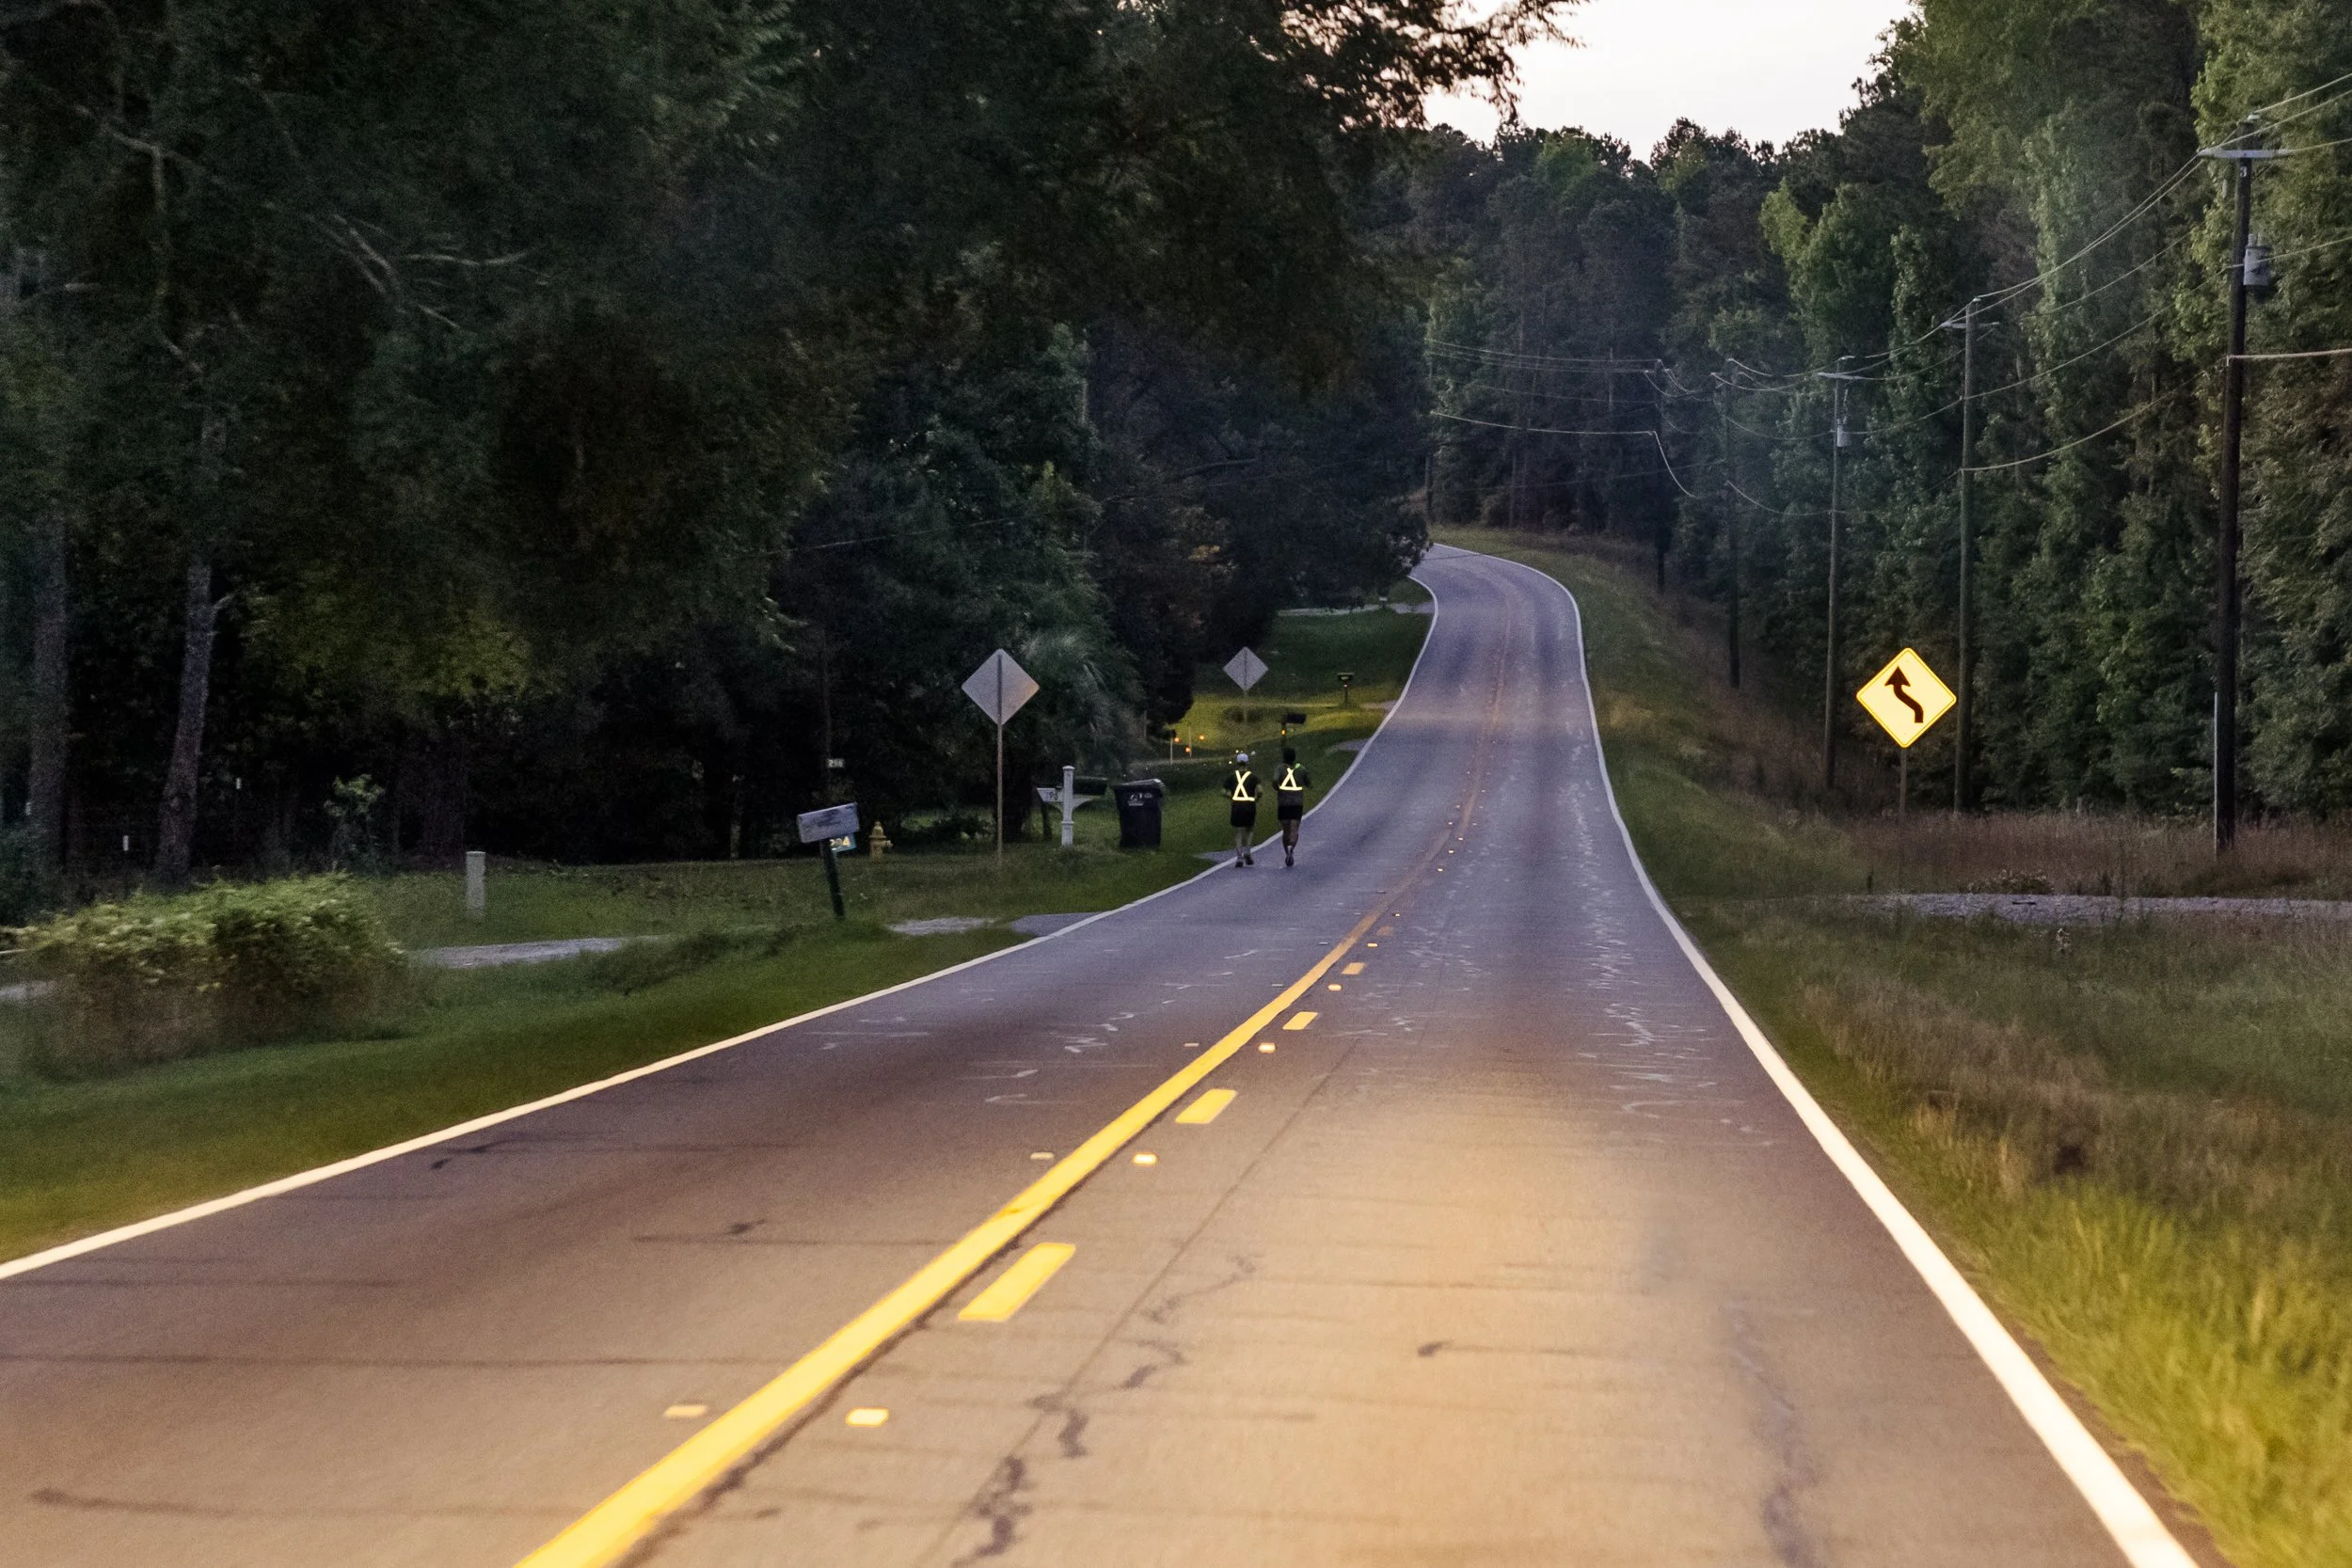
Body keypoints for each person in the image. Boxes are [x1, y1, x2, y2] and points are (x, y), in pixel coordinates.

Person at [1275, 746, 1311, 866]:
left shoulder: (1280, 769)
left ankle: (1287, 852)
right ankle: (1292, 849)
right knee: (1294, 828)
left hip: (1283, 803)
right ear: (1294, 758)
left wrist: (1278, 789)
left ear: (1284, 758)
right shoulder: (1301, 769)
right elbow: (1309, 783)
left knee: (1285, 830)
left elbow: (1275, 781)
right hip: (1297, 803)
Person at [1224, 751, 1259, 866]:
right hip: (1249, 805)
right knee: (1249, 830)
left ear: (1237, 763)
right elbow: (1260, 790)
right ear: (1247, 762)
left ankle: (1239, 857)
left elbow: (1223, 791)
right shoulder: (1253, 777)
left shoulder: (1232, 777)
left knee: (1238, 832)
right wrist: (1256, 798)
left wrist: (1231, 797)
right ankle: (1248, 851)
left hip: (1237, 805)